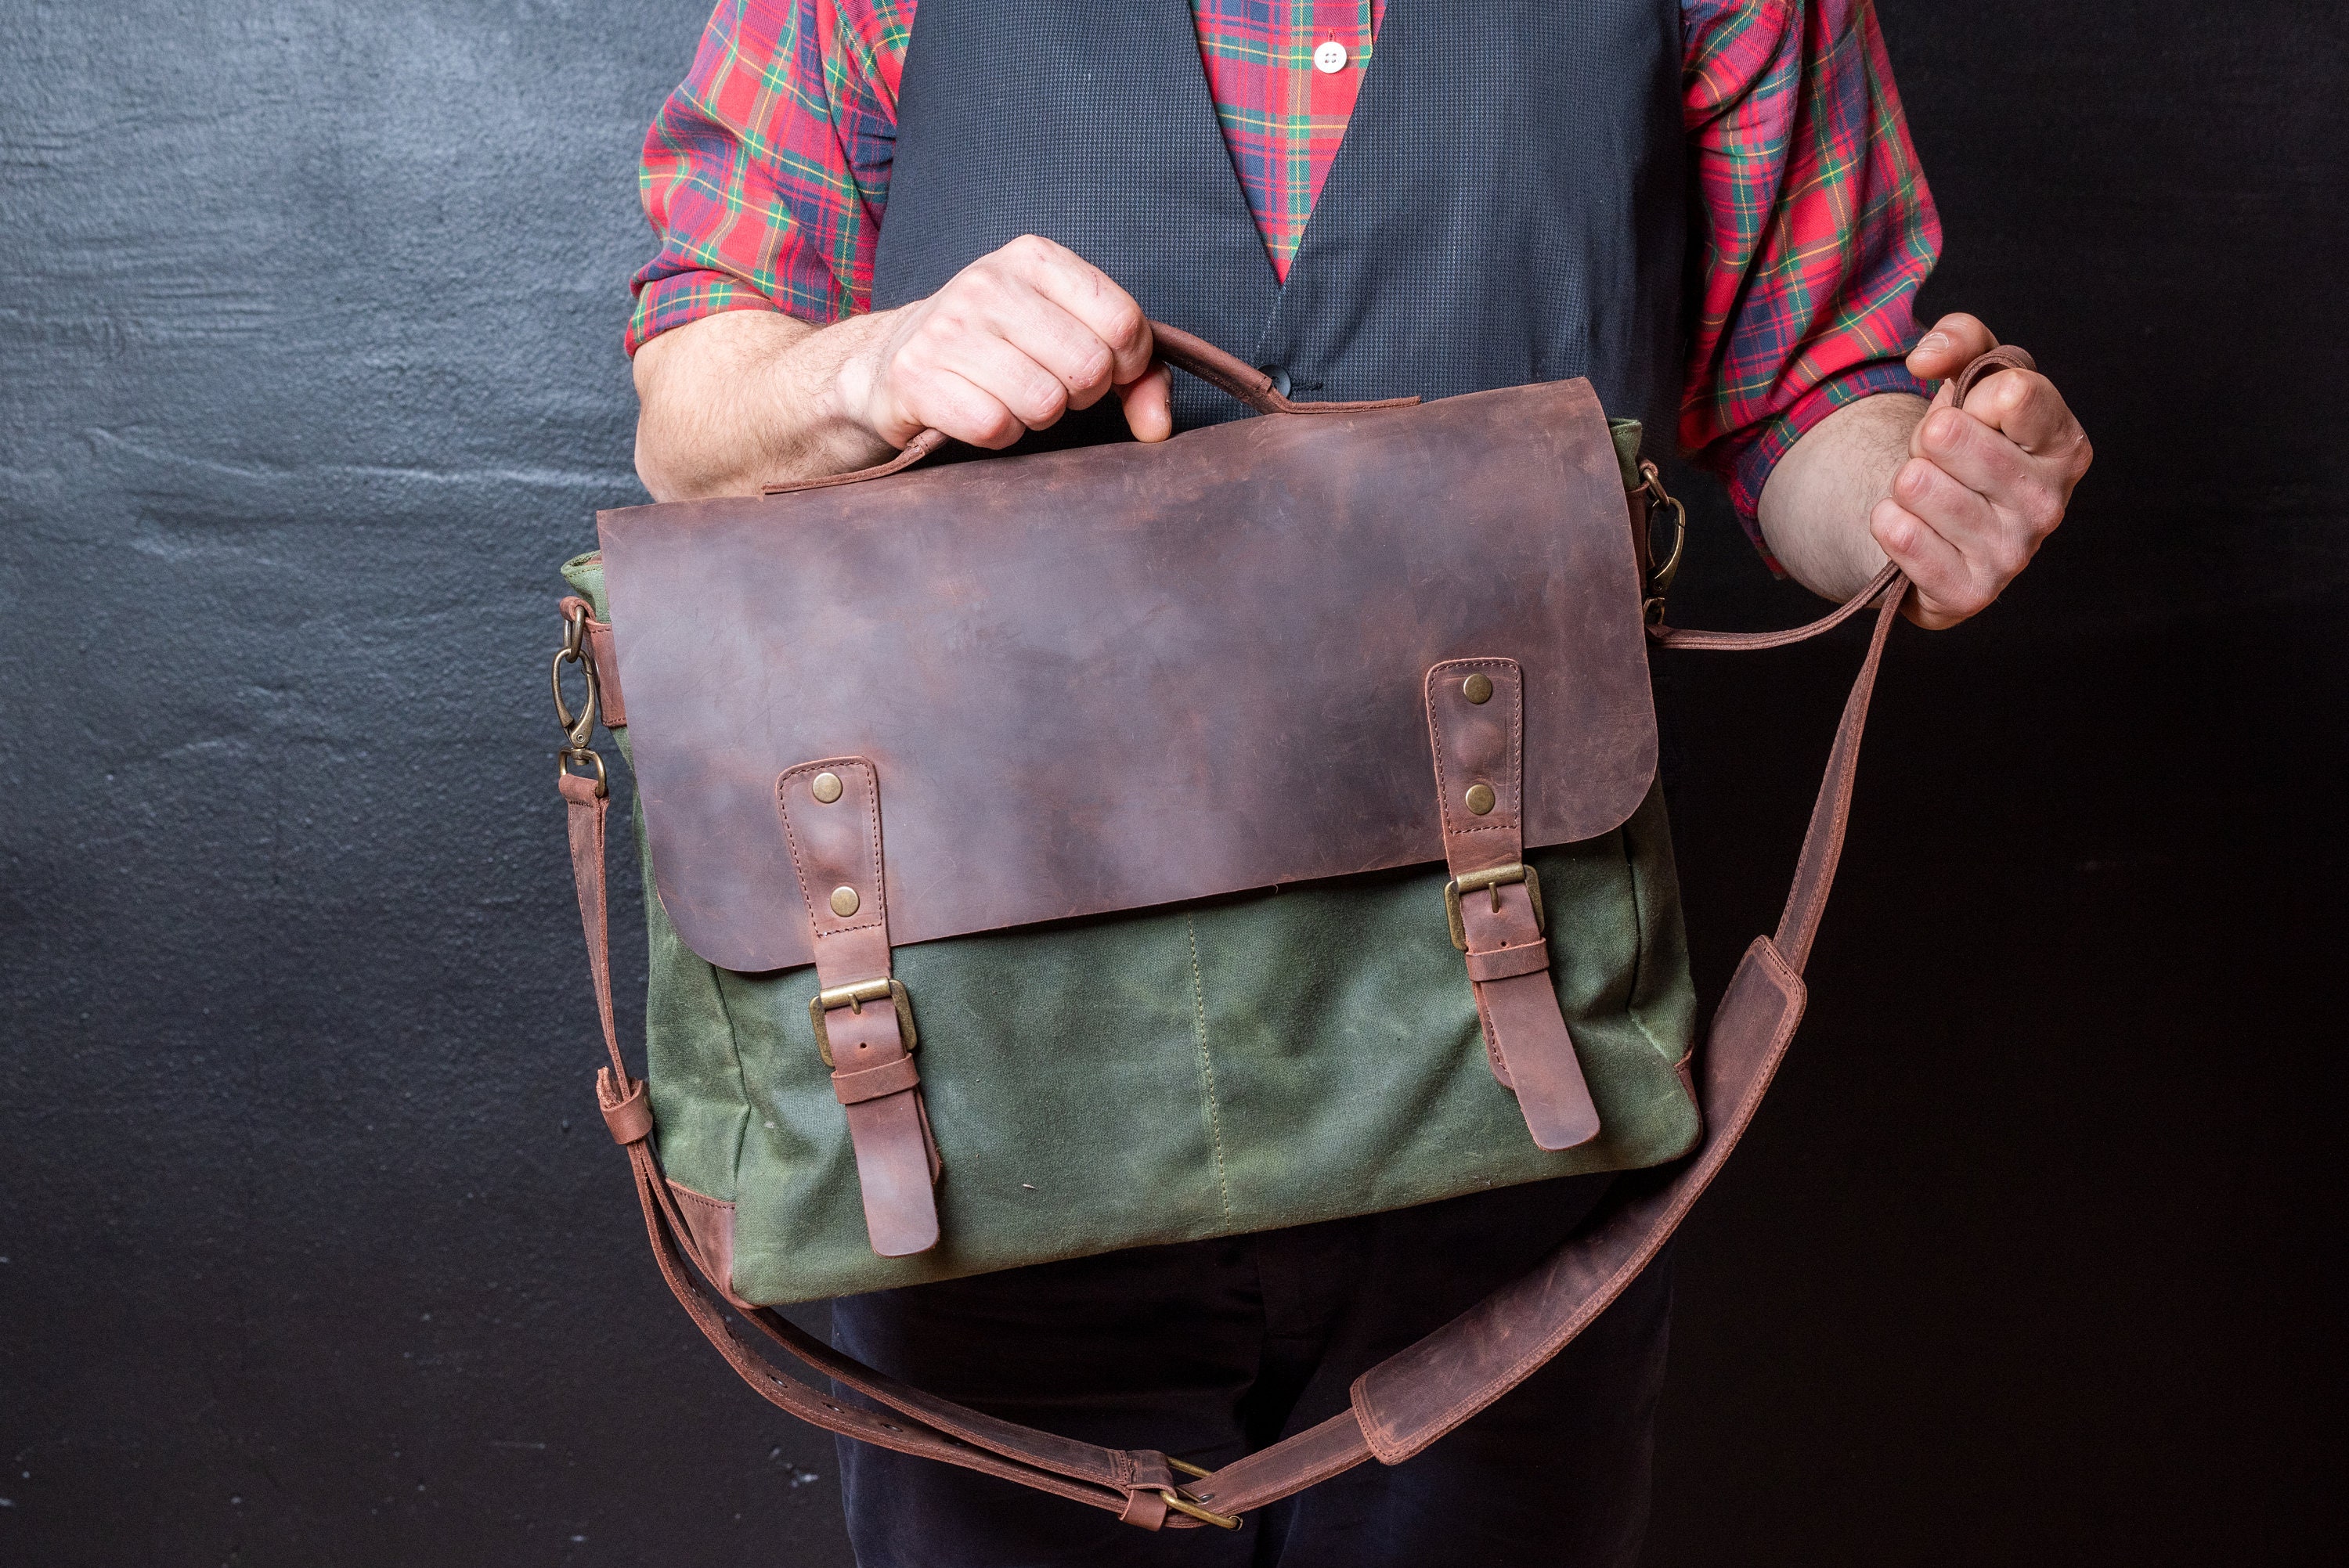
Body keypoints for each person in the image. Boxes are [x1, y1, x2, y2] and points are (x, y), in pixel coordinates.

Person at [621, 3, 2092, 1563]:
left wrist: (1920, 501)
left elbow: (1810, 395)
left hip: (1518, 1128)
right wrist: (872, 364)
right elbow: (691, 417)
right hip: (979, 1120)